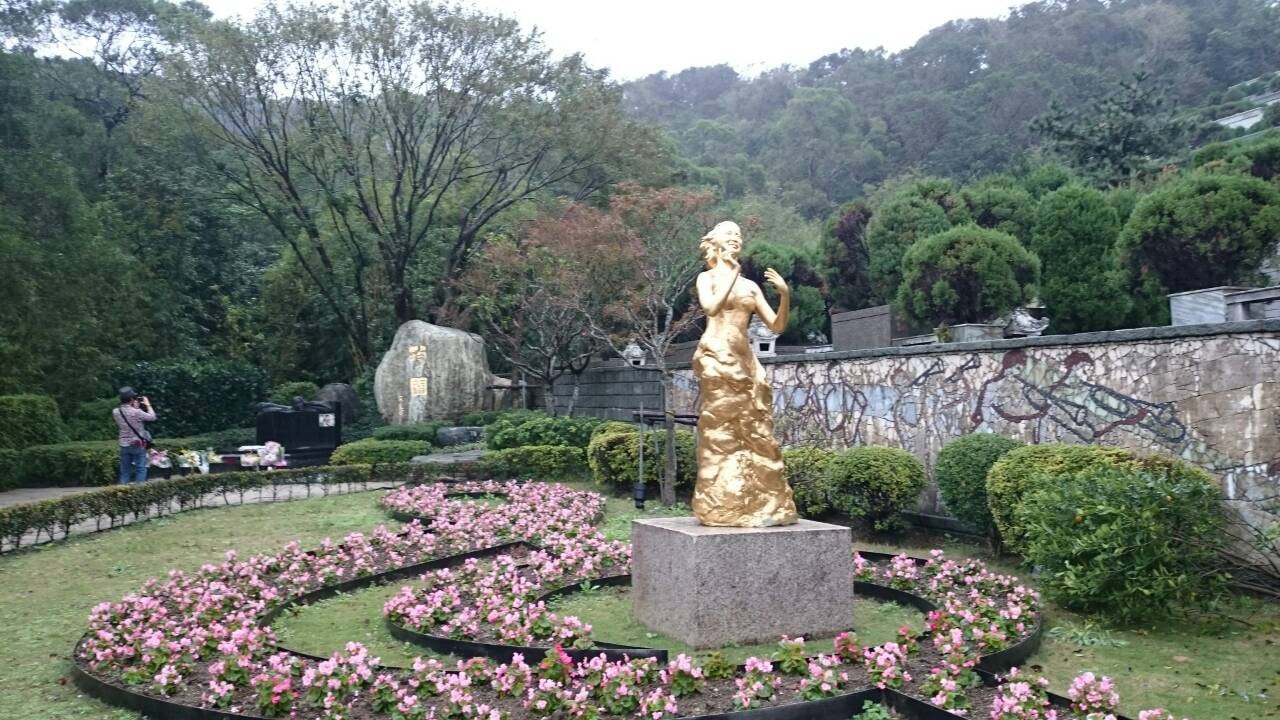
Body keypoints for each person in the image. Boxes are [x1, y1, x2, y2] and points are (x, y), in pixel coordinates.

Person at [691, 220, 798, 527]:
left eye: (738, 235)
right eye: (729, 235)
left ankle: (761, 496)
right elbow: (711, 308)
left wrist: (784, 295)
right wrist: (731, 273)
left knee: (756, 427)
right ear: (716, 242)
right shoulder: (706, 278)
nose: (736, 239)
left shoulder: (750, 287)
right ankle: (719, 498)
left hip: (746, 360)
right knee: (721, 425)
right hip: (716, 355)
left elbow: (776, 326)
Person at [113, 387, 157, 484]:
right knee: (140, 468)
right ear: (132, 399)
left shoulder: (116, 411)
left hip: (124, 444)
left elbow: (127, 415)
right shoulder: (137, 412)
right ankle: (138, 492)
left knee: (125, 471)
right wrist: (148, 404)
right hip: (138, 444)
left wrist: (134, 407)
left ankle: (123, 492)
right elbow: (153, 417)